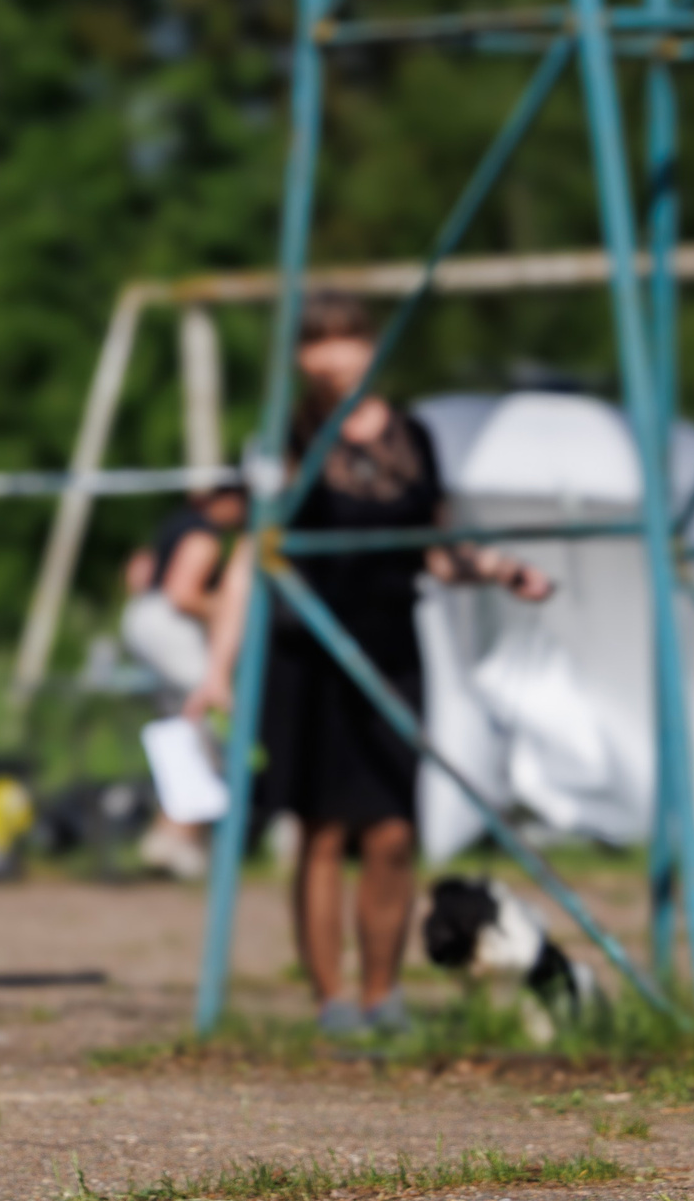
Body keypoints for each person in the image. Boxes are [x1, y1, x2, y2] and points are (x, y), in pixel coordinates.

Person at [190, 294, 549, 1036]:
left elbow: (438, 547)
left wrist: (501, 569)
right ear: (300, 359)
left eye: (346, 338)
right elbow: (248, 562)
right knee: (322, 832)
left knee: (391, 831)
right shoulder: (288, 439)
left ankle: (385, 994)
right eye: (317, 343)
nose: (333, 356)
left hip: (389, 649)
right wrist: (217, 669)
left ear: (371, 345)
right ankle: (332, 1002)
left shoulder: (410, 435)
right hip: (310, 654)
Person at [120, 482, 246, 878]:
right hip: (169, 626)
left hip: (145, 619)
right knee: (208, 717)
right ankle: (180, 833)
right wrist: (232, 607)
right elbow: (182, 593)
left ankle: (175, 830)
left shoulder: (175, 523)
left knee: (181, 724)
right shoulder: (203, 534)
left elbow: (138, 571)